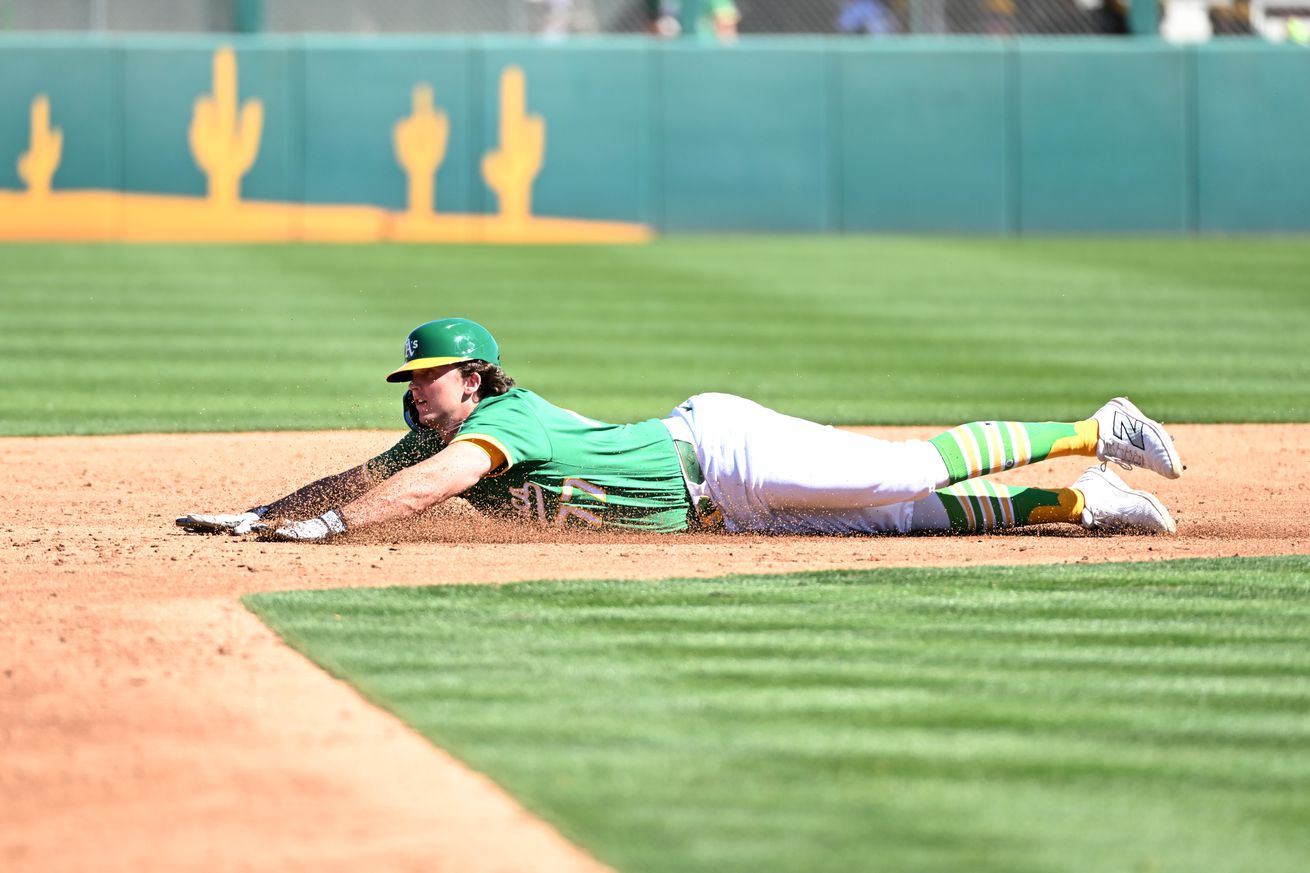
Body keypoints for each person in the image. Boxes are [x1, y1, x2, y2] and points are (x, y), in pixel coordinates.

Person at [177, 317, 1182, 542]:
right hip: (714, 517)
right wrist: (259, 513)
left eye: (429, 377)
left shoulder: (500, 424)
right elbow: (366, 473)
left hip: (720, 451)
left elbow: (427, 489)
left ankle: (1090, 428)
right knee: (901, 520)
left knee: (895, 473)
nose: (414, 392)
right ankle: (1072, 502)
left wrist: (328, 533)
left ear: (473, 378)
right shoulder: (434, 435)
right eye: (411, 378)